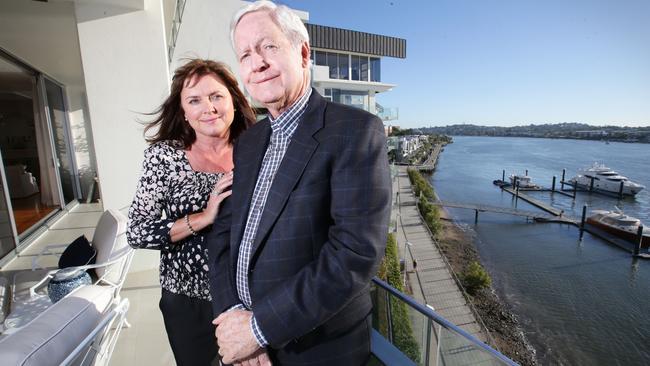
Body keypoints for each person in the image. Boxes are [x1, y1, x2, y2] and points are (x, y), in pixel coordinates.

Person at [207, 1, 391, 365]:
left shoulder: (355, 131)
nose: (256, 62)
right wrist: (233, 318)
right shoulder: (249, 141)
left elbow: (354, 254)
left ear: (303, 53)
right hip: (244, 337)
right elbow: (224, 233)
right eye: (244, 54)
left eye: (268, 47)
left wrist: (258, 329)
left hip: (314, 349)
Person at [126, 59, 255, 366]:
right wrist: (203, 218)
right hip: (189, 302)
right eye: (194, 100)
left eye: (216, 96)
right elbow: (136, 230)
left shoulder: (256, 149)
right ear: (183, 111)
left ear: (234, 101)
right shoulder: (164, 157)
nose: (208, 107)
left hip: (249, 297)